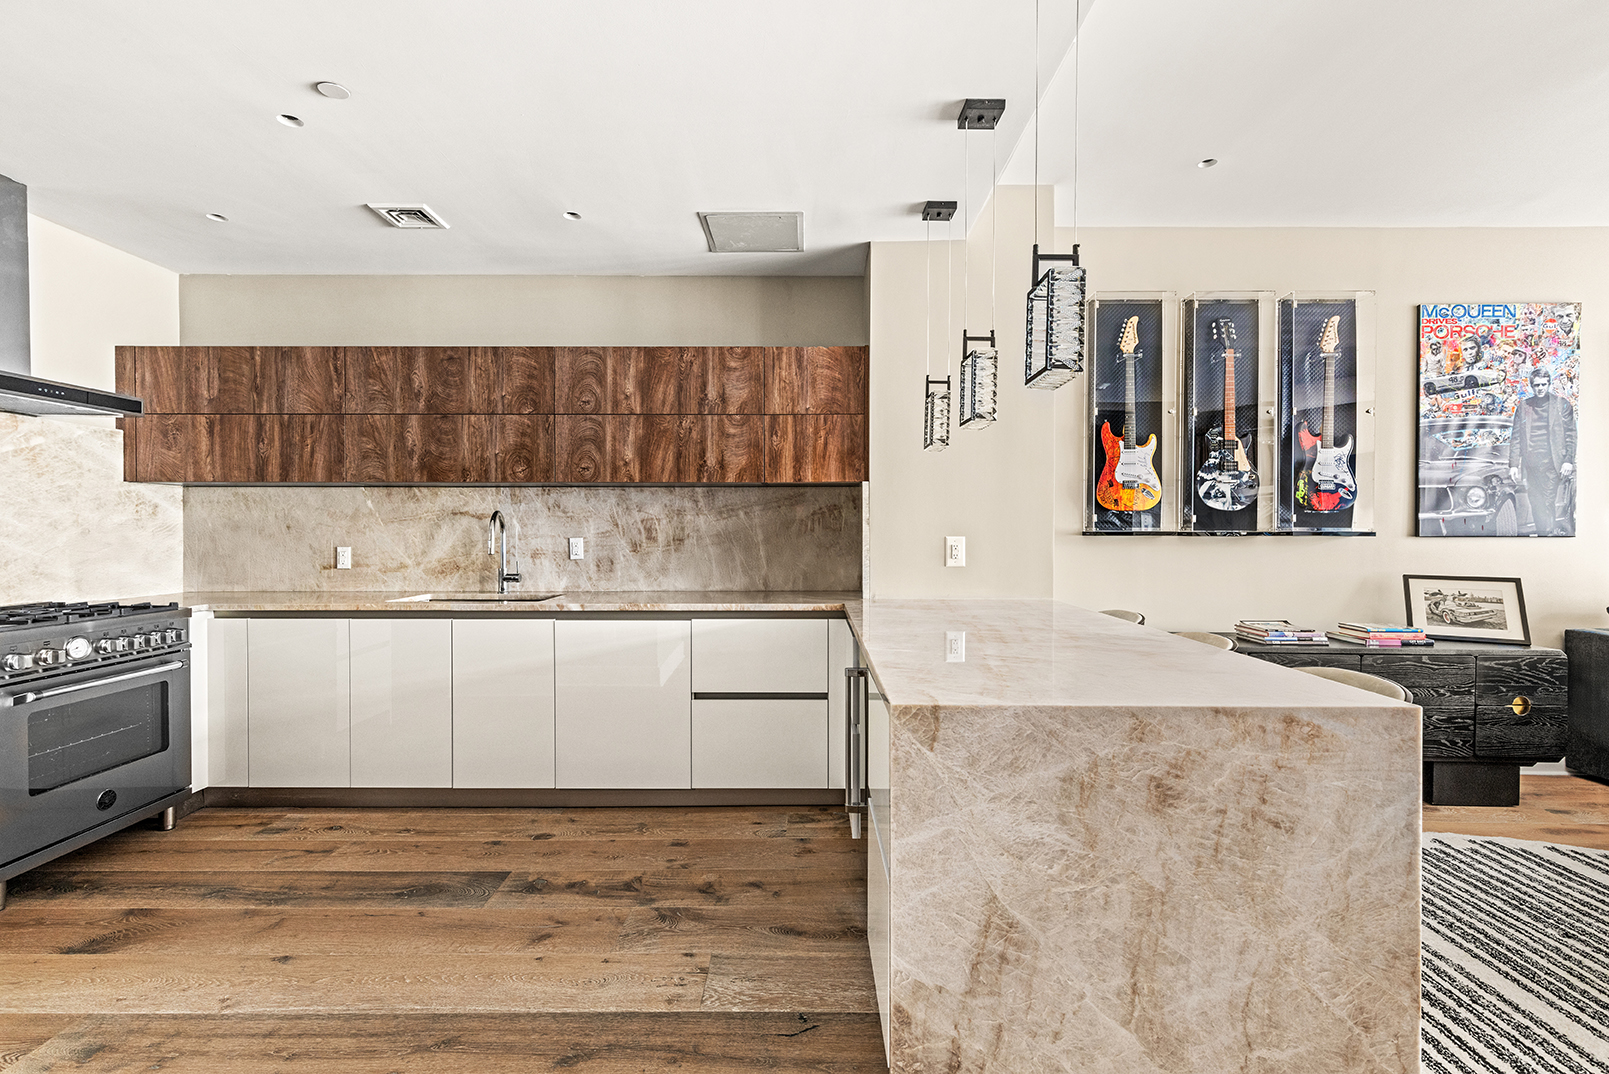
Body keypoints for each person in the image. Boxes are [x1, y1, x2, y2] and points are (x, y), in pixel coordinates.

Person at [1508, 366, 1576, 536]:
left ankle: (1548, 535)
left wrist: (1568, 460)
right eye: (1537, 385)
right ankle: (1543, 534)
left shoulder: (1561, 405)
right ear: (1532, 386)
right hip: (1531, 465)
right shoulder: (1524, 406)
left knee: (1547, 500)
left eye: (1543, 384)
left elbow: (1571, 435)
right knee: (1535, 501)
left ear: (1549, 384)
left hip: (1552, 463)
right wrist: (1513, 464)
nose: (1540, 388)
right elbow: (1516, 437)